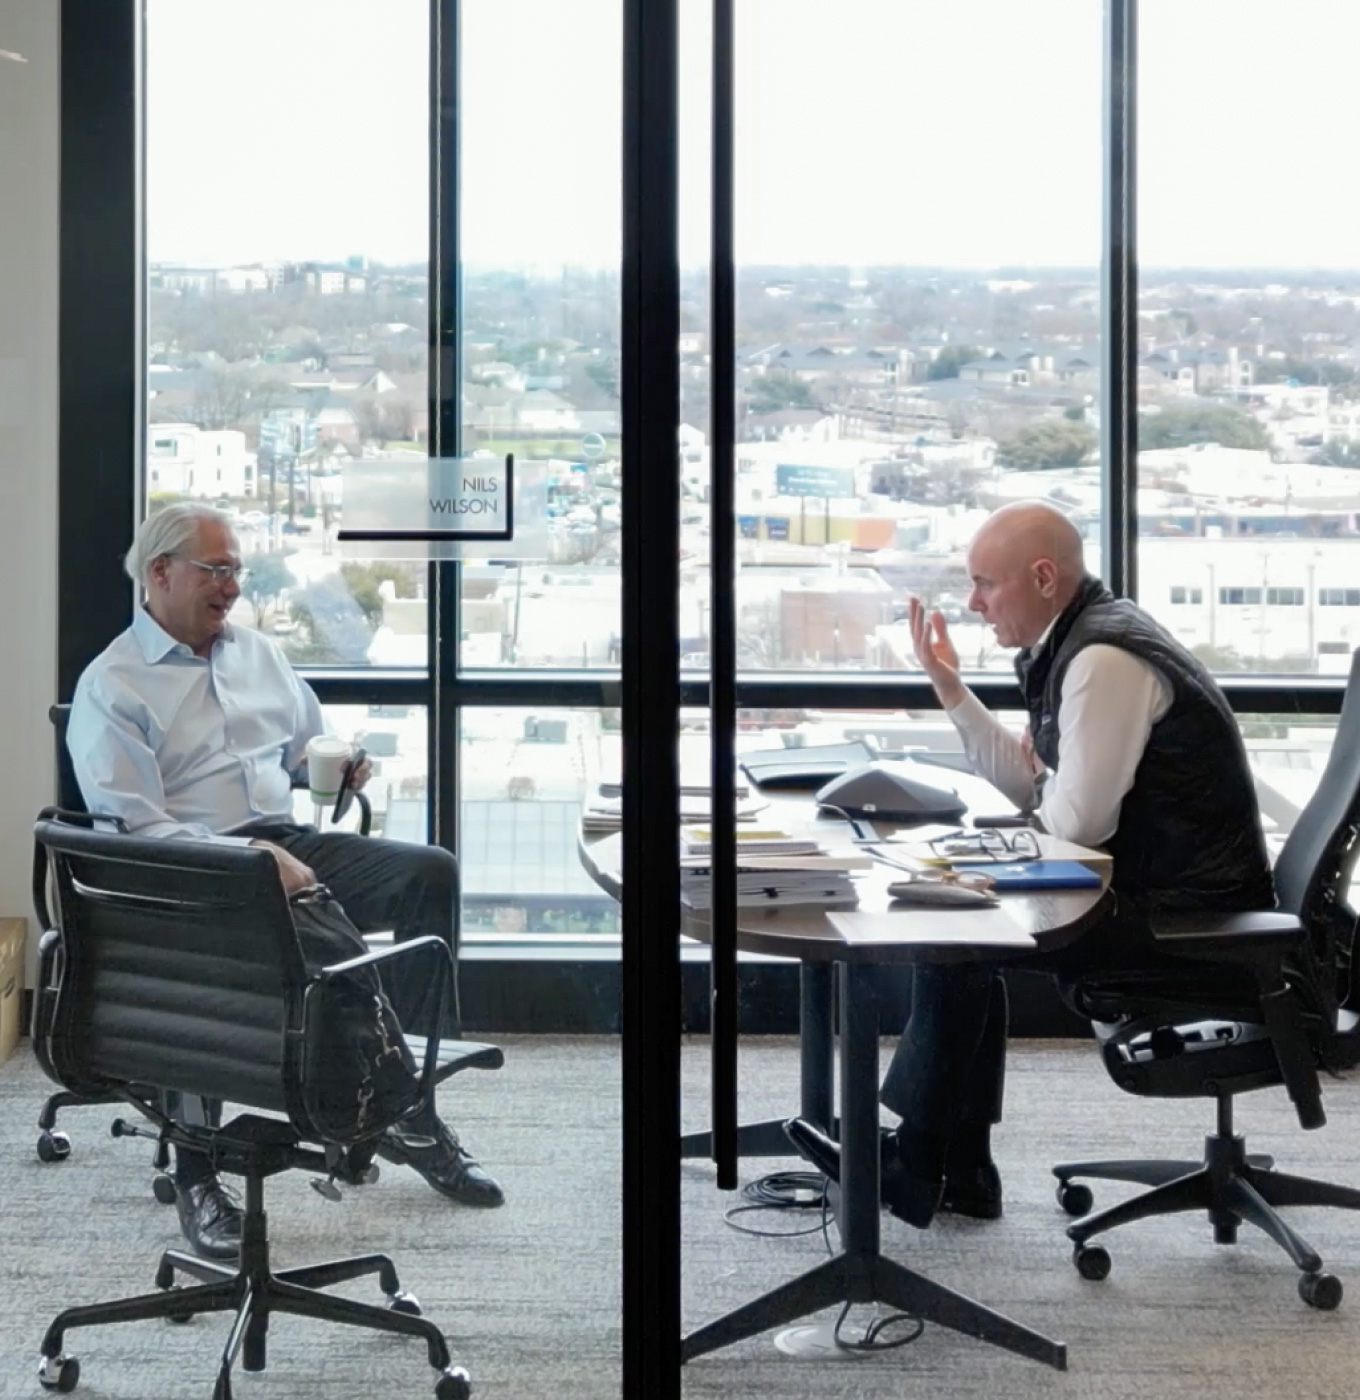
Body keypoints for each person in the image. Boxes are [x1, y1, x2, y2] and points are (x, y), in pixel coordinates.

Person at [789, 500, 1275, 1228]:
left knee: (959, 927)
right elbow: (1031, 785)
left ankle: (919, 1161)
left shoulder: (1104, 660)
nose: (973, 602)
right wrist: (952, 688)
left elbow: (1076, 824)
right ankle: (963, 1168)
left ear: (1043, 577)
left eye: (986, 583)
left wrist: (985, 857)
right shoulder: (1075, 643)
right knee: (964, 922)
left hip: (1189, 922)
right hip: (1161, 895)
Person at [67, 503, 505, 1260]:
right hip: (191, 867)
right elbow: (133, 828)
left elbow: (307, 752)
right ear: (160, 572)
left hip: (286, 841)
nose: (232, 585)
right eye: (216, 569)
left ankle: (398, 1108)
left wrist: (338, 766)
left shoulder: (259, 655)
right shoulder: (113, 685)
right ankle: (206, 1171)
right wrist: (250, 862)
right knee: (319, 930)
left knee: (427, 874)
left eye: (237, 569)